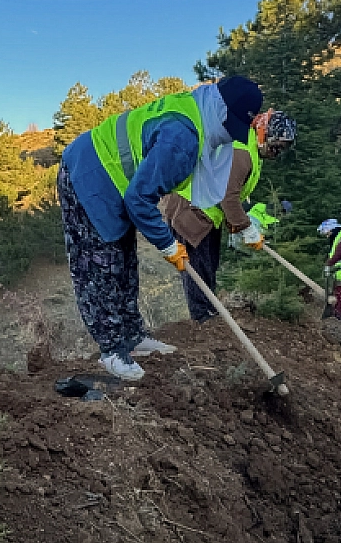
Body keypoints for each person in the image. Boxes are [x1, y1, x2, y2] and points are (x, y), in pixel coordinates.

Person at [56, 77, 265, 380]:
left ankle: (133, 336)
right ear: (218, 107)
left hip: (117, 178)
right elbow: (140, 199)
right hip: (89, 174)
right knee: (101, 266)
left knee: (125, 260)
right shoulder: (183, 139)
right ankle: (112, 351)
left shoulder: (197, 113)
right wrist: (168, 245)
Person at [160, 110, 296, 322]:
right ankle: (202, 319)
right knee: (198, 269)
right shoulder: (241, 152)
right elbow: (228, 198)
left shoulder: (252, 150)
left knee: (210, 265)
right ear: (263, 133)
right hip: (190, 210)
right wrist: (246, 228)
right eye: (276, 145)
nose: (277, 152)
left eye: (282, 148)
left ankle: (209, 314)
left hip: (207, 212)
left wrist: (236, 225)